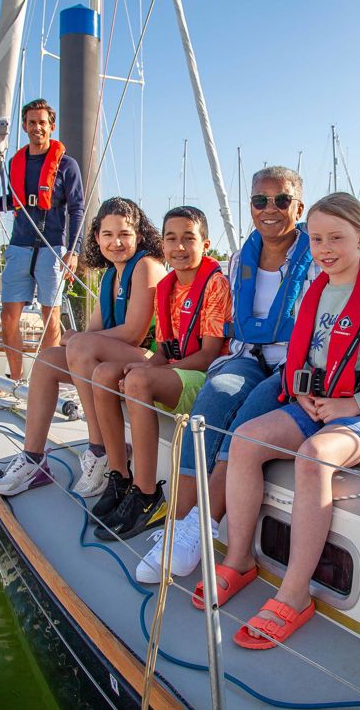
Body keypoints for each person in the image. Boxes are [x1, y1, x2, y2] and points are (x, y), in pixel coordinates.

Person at [193, 192, 360, 649]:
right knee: (244, 439)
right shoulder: (317, 291)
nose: (325, 248)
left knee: (313, 456)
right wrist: (301, 390)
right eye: (316, 239)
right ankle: (239, 559)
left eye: (336, 238)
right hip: (315, 401)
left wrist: (352, 405)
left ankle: (295, 594)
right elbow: (308, 354)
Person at [135, 166, 317, 583]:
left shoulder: (317, 255)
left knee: (247, 416)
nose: (269, 209)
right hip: (248, 356)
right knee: (211, 401)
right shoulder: (240, 260)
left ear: (299, 206)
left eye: (282, 200)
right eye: (260, 200)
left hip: (292, 363)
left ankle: (199, 528)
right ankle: (175, 529)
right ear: (250, 206)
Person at [0, 197, 165, 497]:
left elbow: (135, 333)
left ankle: (100, 449)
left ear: (139, 234)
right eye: (107, 235)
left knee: (80, 346)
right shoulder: (111, 275)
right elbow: (94, 331)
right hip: (117, 354)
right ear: (97, 237)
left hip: (149, 358)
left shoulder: (146, 266)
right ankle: (34, 459)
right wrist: (77, 338)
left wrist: (79, 339)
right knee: (46, 360)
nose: (116, 242)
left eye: (124, 234)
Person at [92, 206, 232, 542]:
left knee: (138, 379)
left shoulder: (215, 285)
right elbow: (166, 349)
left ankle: (147, 495)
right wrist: (146, 365)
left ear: (206, 244)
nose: (179, 247)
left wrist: (147, 373)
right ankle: (119, 476)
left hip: (207, 378)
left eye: (189, 239)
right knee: (105, 374)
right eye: (172, 239)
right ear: (163, 244)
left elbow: (209, 354)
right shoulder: (167, 287)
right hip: (178, 371)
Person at [0, 98, 85, 383]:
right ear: (24, 126)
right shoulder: (14, 163)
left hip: (52, 246)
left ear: (51, 126)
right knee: (8, 317)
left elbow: (77, 207)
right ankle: (15, 380)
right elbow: (10, 201)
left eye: (42, 123)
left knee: (50, 319)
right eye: (31, 123)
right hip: (20, 246)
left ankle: (46, 382)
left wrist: (74, 251)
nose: (37, 128)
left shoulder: (67, 166)